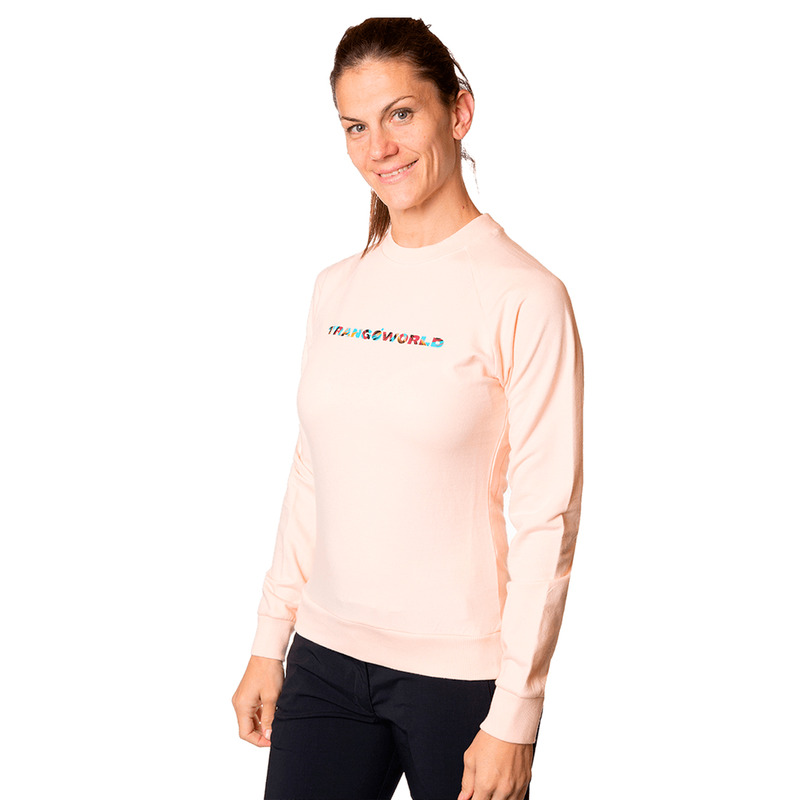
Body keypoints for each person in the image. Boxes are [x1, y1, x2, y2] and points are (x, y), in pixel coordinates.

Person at [232, 16, 584, 800]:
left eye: (400, 114)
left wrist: (515, 714)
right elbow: (313, 474)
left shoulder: (525, 296)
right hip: (324, 661)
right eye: (355, 126)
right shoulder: (337, 288)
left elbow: (547, 520)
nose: (378, 147)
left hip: (460, 680)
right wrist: (269, 639)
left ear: (458, 111)